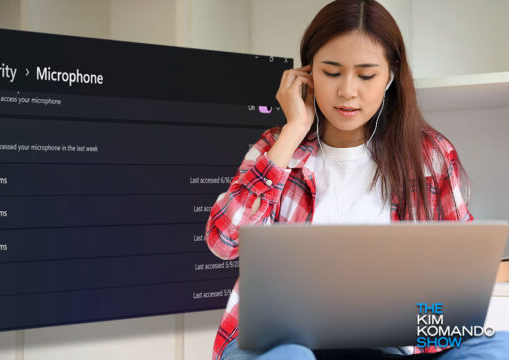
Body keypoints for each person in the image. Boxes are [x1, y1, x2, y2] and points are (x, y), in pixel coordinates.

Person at [204, 0, 509, 359]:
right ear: (308, 73)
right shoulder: (277, 147)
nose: (348, 91)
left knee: (498, 346)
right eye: (331, 72)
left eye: (366, 76)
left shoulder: (431, 155)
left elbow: (462, 270)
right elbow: (222, 242)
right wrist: (293, 131)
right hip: (284, 344)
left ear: (391, 76)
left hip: (394, 344)